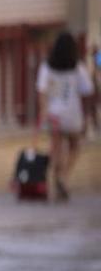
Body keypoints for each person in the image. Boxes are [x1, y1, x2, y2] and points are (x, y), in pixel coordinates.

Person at [36, 31, 94, 200]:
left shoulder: (47, 66)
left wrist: (44, 110)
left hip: (53, 114)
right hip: (72, 114)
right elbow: (88, 89)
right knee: (74, 146)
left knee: (56, 148)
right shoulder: (77, 67)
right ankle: (64, 177)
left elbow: (42, 91)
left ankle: (55, 179)